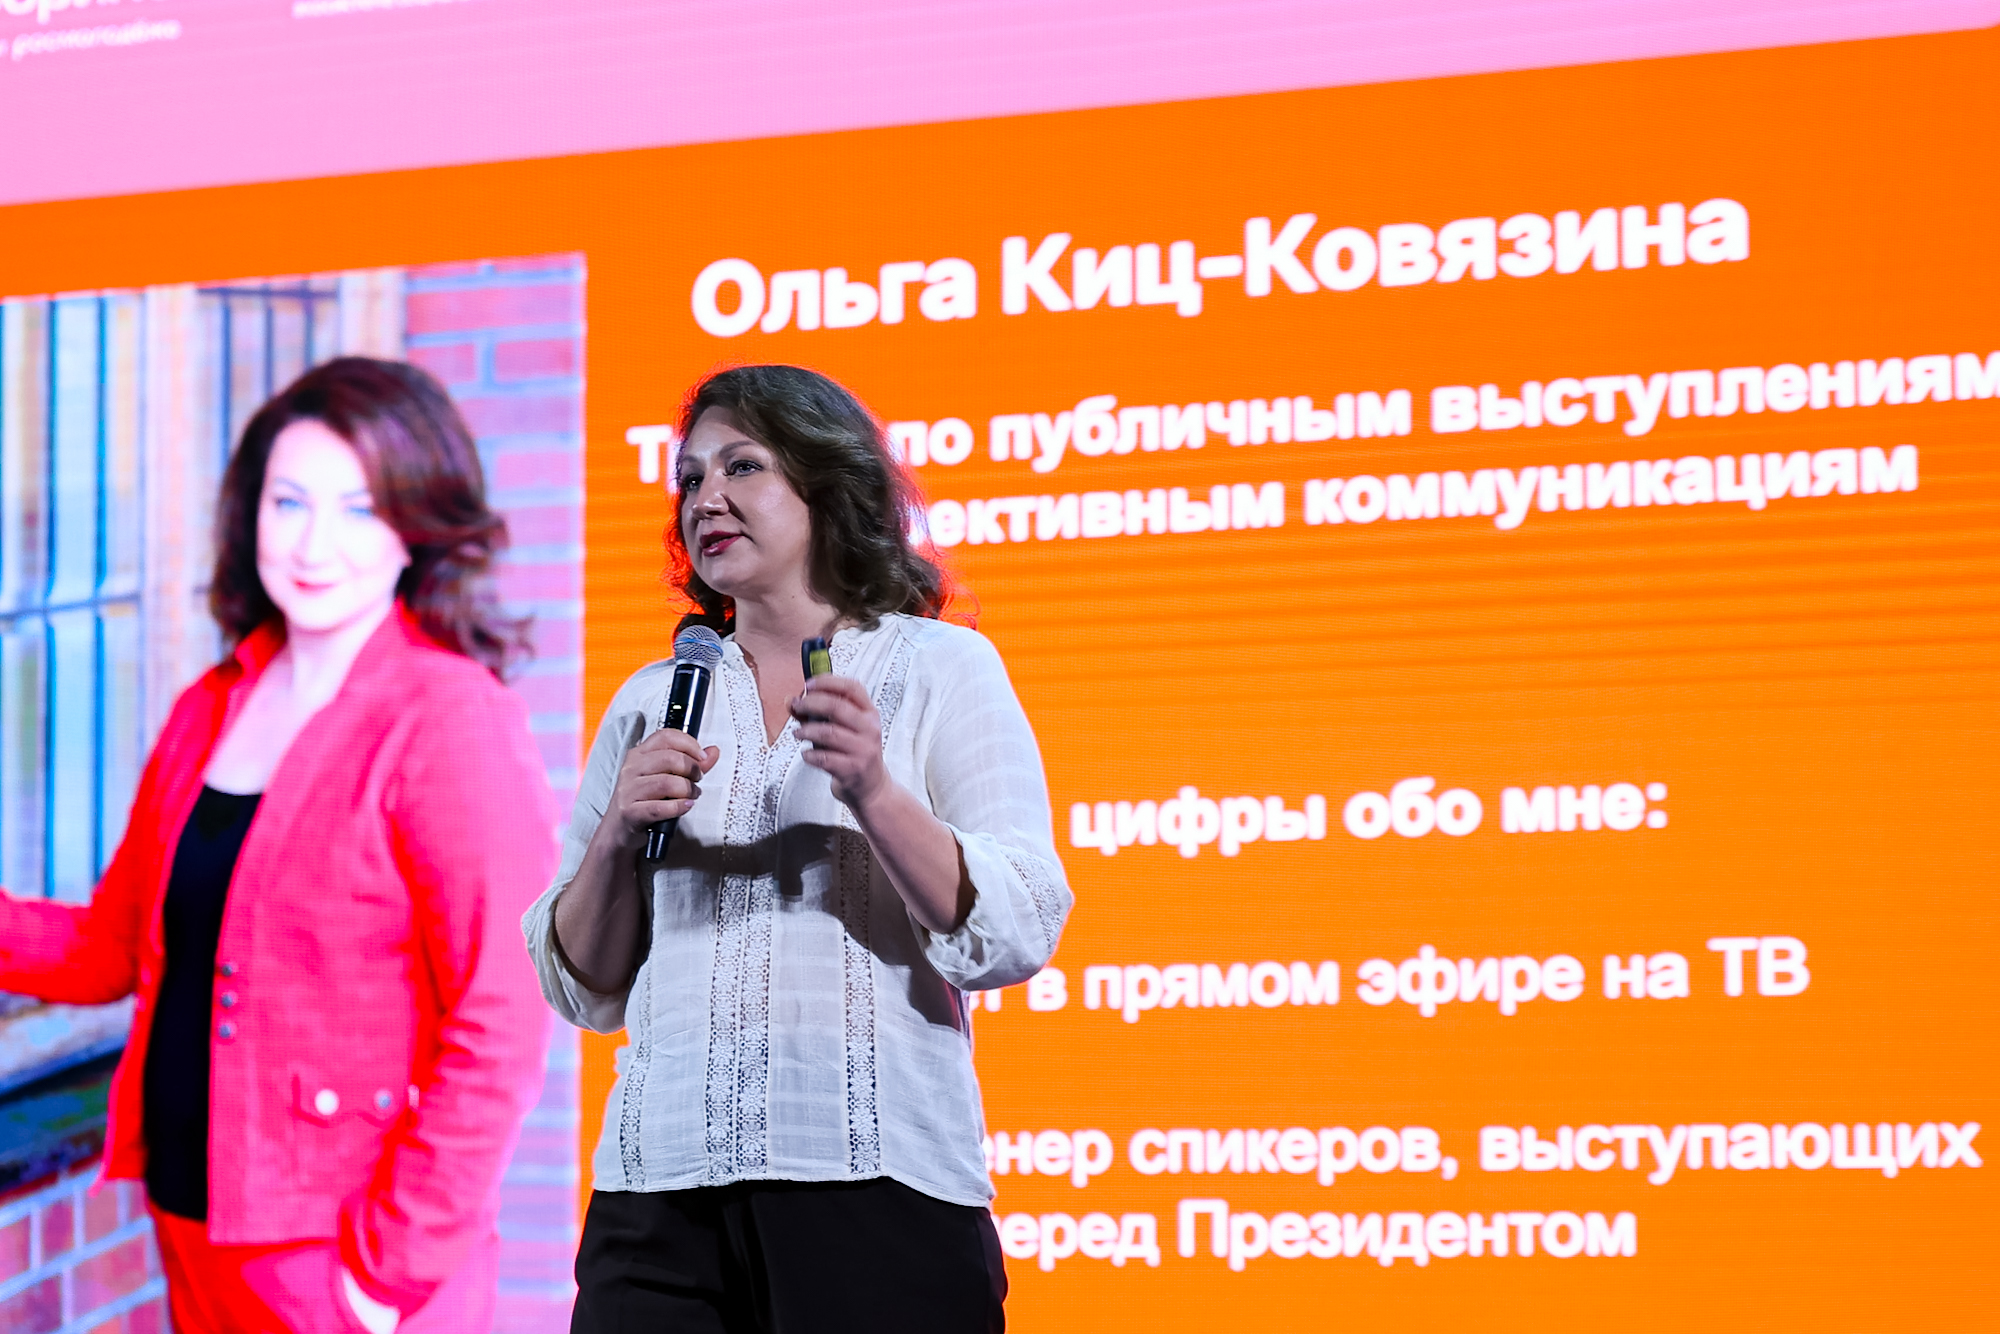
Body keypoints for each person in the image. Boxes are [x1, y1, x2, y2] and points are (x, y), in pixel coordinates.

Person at [0, 358, 558, 1333]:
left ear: (415, 525)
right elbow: (109, 945)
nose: (312, 544)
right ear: (248, 511)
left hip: (341, 1260)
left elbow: (503, 1016)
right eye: (288, 501)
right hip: (193, 1224)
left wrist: (385, 1275)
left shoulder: (447, 720)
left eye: (359, 508)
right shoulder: (211, 707)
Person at [525, 364, 1071, 1333]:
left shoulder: (940, 666)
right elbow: (585, 983)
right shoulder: (653, 698)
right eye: (689, 478)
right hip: (657, 1200)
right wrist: (614, 835)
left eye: (742, 466)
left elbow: (1022, 919)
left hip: (877, 1191)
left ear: (826, 483)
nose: (706, 499)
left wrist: (875, 791)